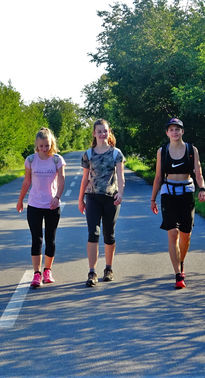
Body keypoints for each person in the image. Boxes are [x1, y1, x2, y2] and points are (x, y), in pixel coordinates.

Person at [150, 118, 205, 289]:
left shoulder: (191, 150)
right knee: (173, 233)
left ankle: (181, 261)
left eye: (177, 129)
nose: (174, 132)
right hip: (168, 193)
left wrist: (202, 188)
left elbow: (198, 172)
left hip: (187, 193)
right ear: (167, 133)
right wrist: (153, 199)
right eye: (171, 129)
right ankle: (178, 274)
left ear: (183, 131)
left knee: (185, 235)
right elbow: (158, 176)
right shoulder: (162, 151)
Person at [16, 128, 66, 288]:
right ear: (37, 145)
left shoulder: (57, 160)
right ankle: (36, 274)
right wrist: (20, 200)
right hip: (34, 204)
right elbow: (26, 181)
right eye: (41, 146)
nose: (44, 149)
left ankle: (47, 270)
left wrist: (57, 198)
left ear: (52, 144)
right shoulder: (31, 160)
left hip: (52, 205)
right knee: (36, 239)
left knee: (50, 239)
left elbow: (61, 181)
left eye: (47, 145)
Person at [78, 119, 125, 287]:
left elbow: (120, 176)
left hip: (111, 198)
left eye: (105, 131)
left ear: (109, 132)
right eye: (99, 131)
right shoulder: (88, 154)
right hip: (92, 197)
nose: (102, 134)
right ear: (94, 133)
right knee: (93, 234)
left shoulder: (116, 153)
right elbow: (85, 179)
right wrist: (80, 199)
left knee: (109, 234)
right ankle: (92, 272)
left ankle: (109, 269)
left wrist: (120, 193)